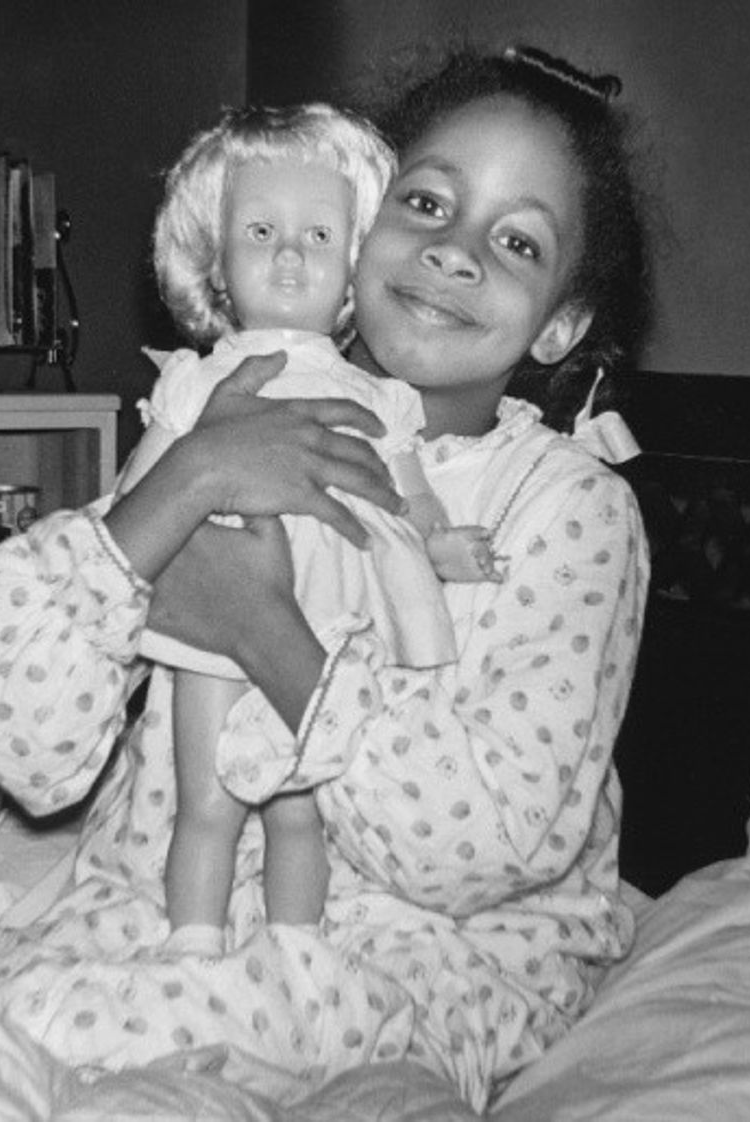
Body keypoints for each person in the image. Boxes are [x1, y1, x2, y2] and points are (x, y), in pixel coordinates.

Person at [0, 43, 652, 1112]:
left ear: (557, 323)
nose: (454, 253)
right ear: (355, 225)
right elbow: (15, 739)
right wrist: (178, 489)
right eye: (424, 203)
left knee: (0, 1039)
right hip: (172, 903)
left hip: (420, 956)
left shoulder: (567, 508)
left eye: (513, 241)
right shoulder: (235, 403)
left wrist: (263, 628)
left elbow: (488, 845)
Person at [117, 102, 498, 958]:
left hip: (324, 638)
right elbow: (131, 512)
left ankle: (298, 953)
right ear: (216, 268)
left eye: (318, 237)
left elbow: (407, 503)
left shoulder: (377, 400)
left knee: (303, 811)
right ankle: (193, 944)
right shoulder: (193, 384)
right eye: (259, 231)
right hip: (214, 634)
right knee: (206, 798)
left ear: (356, 264)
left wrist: (442, 547)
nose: (290, 253)